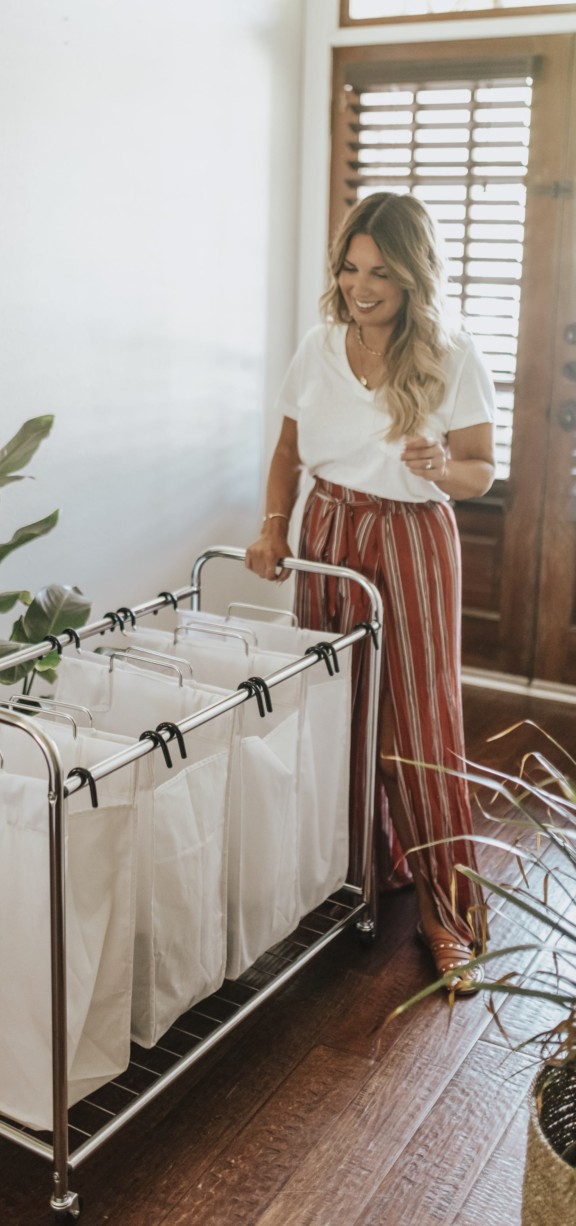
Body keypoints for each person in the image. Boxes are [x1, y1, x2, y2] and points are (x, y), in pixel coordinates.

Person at [245, 191, 495, 996]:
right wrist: (275, 526)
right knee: (332, 708)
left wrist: (439, 469)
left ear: (413, 273)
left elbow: (479, 472)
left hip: (413, 538)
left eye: (380, 271)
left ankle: (448, 914)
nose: (361, 285)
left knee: (419, 723)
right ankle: (361, 870)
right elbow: (288, 448)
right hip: (329, 531)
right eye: (350, 269)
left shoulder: (454, 354)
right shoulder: (318, 347)